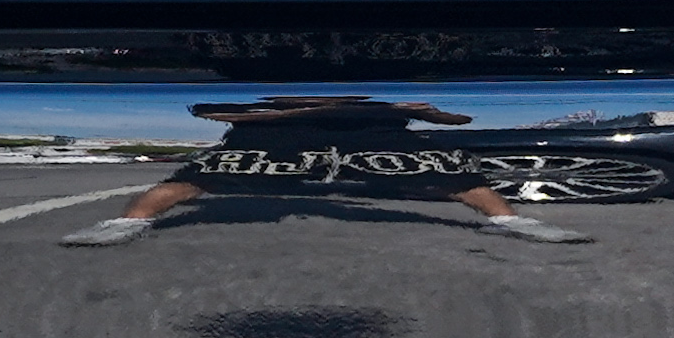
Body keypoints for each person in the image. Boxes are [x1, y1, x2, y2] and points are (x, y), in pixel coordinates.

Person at [57, 90, 585, 243]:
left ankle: (514, 221)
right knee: (193, 178)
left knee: (454, 176)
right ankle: (125, 224)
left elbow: (459, 118)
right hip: (273, 137)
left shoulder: (384, 96)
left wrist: (422, 110)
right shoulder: (267, 94)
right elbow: (214, 109)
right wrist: (307, 110)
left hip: (375, 137)